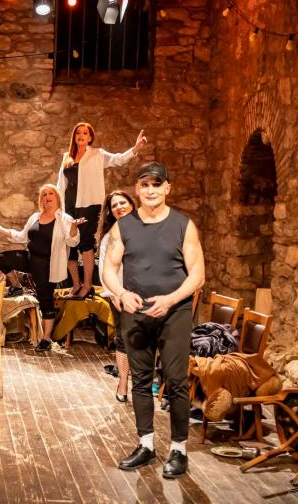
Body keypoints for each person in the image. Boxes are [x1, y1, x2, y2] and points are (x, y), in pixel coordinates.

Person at [102, 162, 204, 479]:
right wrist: (120, 292)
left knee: (175, 379)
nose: (150, 190)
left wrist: (171, 299)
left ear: (167, 188)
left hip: (175, 312)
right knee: (141, 380)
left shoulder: (183, 225)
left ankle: (178, 449)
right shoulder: (123, 227)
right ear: (137, 189)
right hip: (136, 311)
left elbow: (198, 275)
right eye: (144, 185)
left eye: (156, 184)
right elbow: (108, 268)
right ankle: (145, 444)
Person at [57, 123, 147, 299]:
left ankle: (87, 286)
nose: (81, 136)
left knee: (86, 243)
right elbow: (60, 184)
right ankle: (76, 285)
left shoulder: (97, 154)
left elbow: (119, 159)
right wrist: (58, 208)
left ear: (90, 137)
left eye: (85, 133)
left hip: (89, 204)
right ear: (74, 137)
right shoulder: (67, 158)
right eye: (78, 133)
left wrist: (135, 149)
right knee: (68, 244)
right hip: (68, 206)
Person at [0, 184, 83, 351]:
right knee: (1, 259)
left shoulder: (65, 219)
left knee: (45, 300)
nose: (47, 196)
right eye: (44, 194)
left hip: (48, 265)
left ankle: (46, 339)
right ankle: (17, 287)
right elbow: (21, 236)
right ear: (41, 199)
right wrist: (2, 230)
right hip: (30, 258)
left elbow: (72, 242)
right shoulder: (35, 217)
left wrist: (74, 228)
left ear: (57, 197)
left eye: (51, 193)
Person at [96, 190, 136, 403]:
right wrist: (113, 294)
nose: (119, 207)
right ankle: (123, 383)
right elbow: (104, 267)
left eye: (123, 202)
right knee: (123, 339)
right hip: (120, 295)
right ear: (110, 212)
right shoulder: (109, 237)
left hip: (146, 293)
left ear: (132, 205)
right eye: (114, 205)